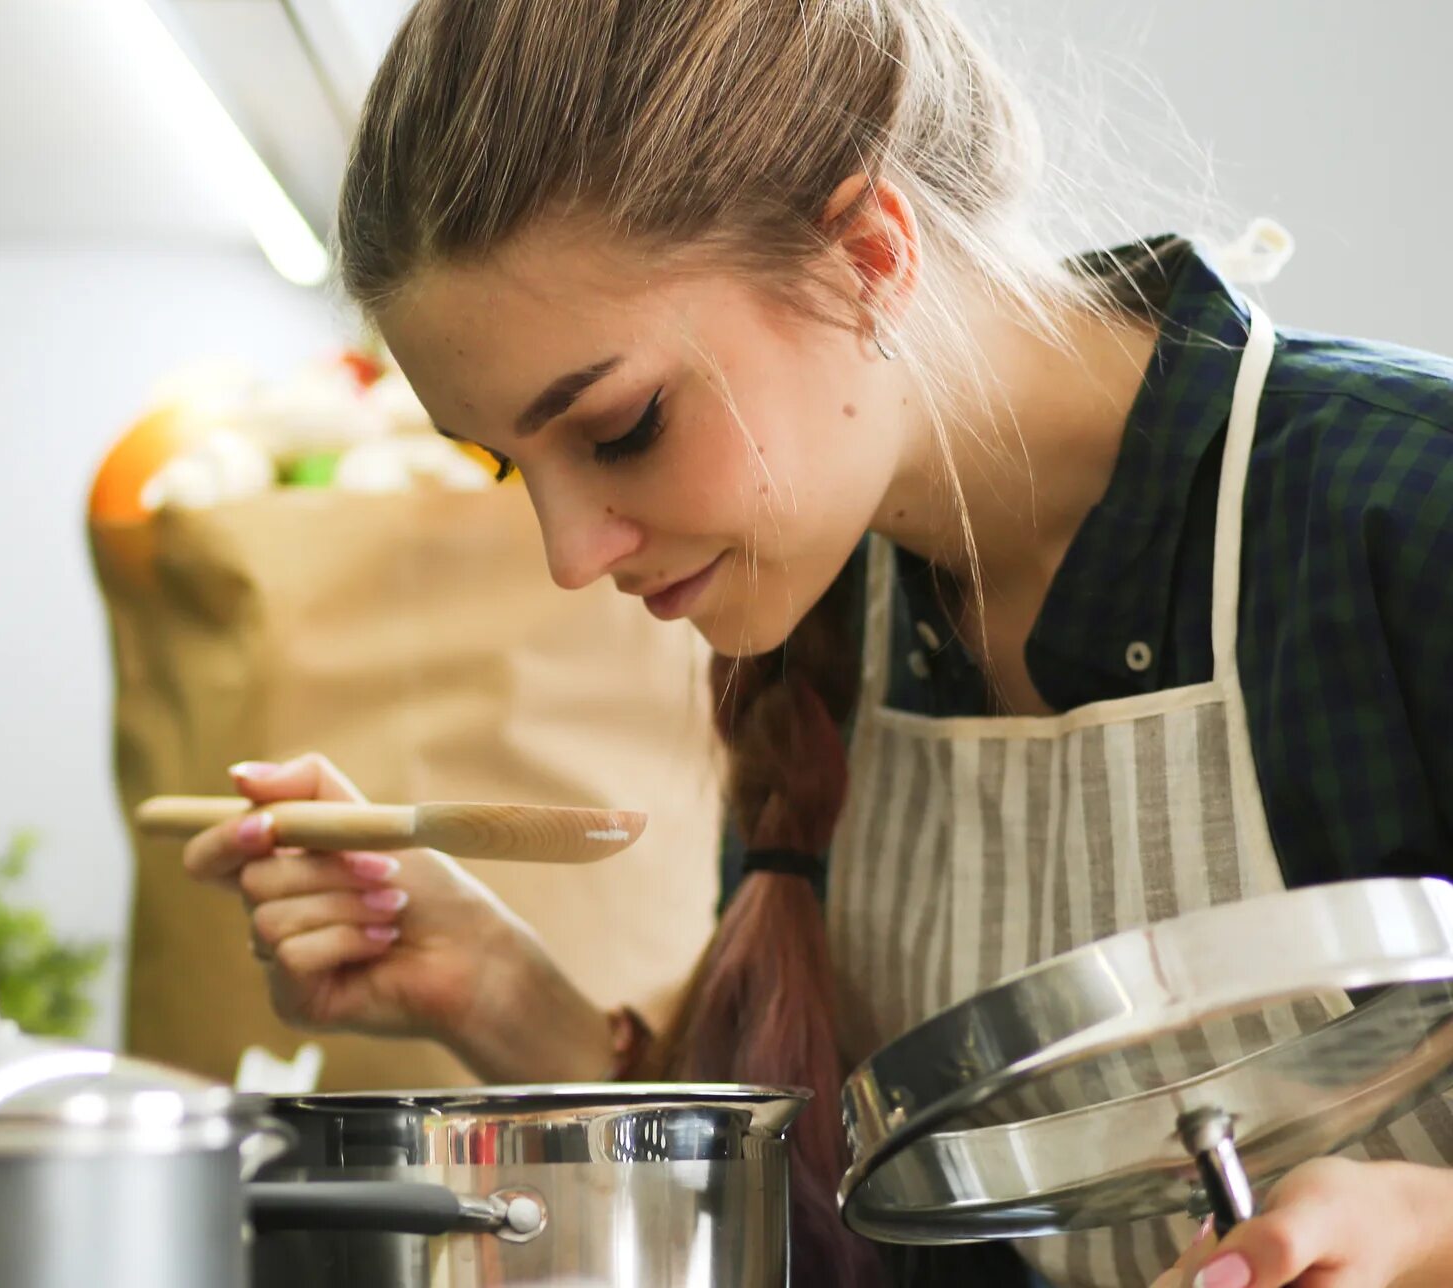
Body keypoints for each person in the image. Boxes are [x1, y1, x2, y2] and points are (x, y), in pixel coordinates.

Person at [180, 1, 1453, 1284]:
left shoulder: (1405, 510)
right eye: (511, 464)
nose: (571, 557)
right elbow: (835, 1248)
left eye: (620, 427)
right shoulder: (821, 632)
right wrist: (504, 1000)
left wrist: (1425, 1229)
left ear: (867, 254)